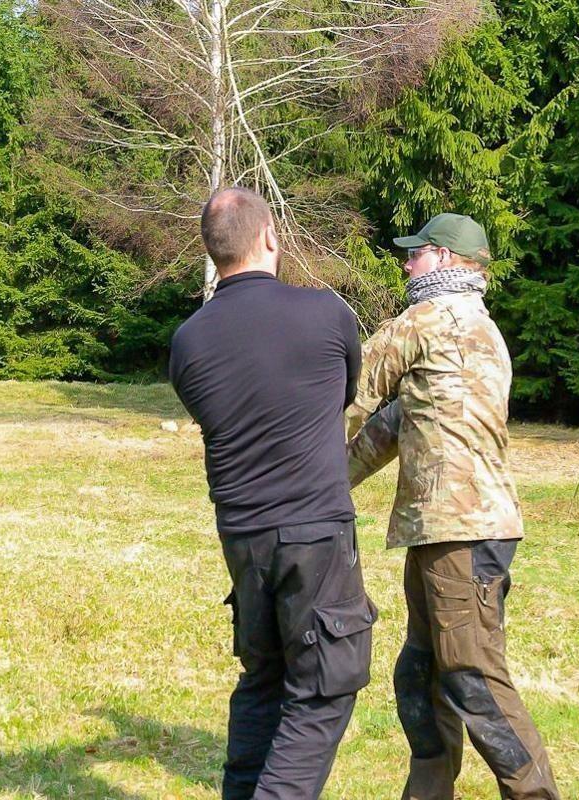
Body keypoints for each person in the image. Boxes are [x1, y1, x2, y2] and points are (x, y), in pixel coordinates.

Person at [169, 187, 376, 800]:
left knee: (264, 678)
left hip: (244, 536)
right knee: (323, 688)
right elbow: (342, 395)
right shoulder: (327, 313)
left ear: (213, 253)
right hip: (315, 530)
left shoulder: (188, 341)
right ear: (270, 237)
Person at [346, 213, 560, 800]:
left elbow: (346, 394)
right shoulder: (483, 330)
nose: (406, 263)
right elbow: (398, 422)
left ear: (442, 258)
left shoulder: (425, 320)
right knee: (422, 673)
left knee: (472, 677)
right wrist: (328, 485)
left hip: (458, 532)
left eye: (415, 253)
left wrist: (289, 467)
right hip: (459, 528)